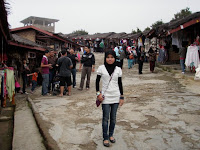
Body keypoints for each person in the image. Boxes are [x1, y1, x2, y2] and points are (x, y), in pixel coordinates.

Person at [96, 50, 124, 147]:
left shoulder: (118, 69)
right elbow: (97, 82)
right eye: (108, 57)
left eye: (112, 57)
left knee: (113, 118)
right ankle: (105, 137)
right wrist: (98, 94)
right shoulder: (101, 68)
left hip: (116, 96)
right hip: (105, 97)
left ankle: (111, 135)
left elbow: (120, 83)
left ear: (115, 58)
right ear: (105, 58)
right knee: (105, 118)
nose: (110, 59)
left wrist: (122, 96)